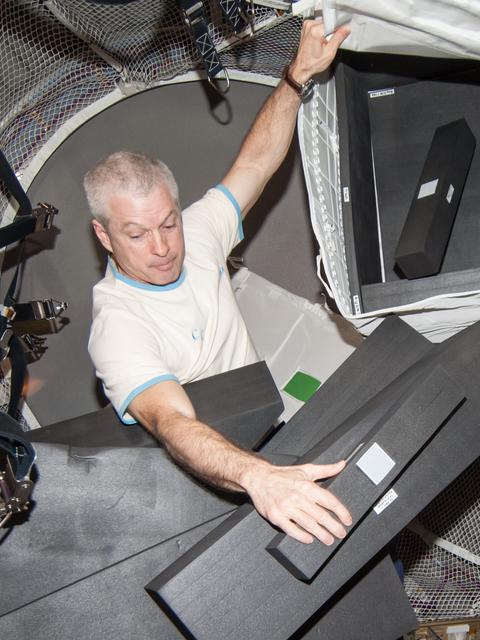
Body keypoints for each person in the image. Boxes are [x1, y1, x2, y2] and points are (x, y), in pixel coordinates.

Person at [86, 20, 352, 546]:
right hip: (214, 476)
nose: (162, 247)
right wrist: (257, 477)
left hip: (273, 423)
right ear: (104, 235)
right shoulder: (117, 325)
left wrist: (296, 77)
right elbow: (171, 423)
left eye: (168, 223)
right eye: (137, 234)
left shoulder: (199, 231)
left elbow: (255, 163)